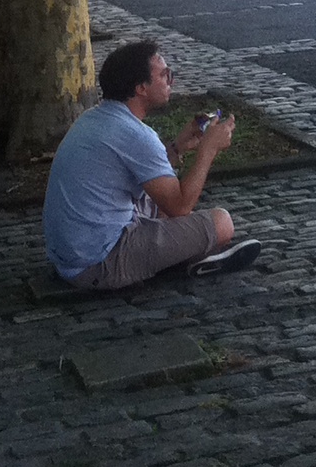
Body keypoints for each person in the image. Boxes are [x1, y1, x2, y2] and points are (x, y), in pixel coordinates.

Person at [42, 39, 261, 289]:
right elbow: (180, 206)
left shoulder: (95, 118)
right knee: (222, 222)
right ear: (141, 88)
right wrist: (208, 150)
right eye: (165, 74)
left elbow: (153, 182)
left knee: (162, 206)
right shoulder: (137, 135)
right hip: (100, 262)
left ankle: (183, 250)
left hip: (72, 257)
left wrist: (178, 147)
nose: (171, 80)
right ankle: (190, 255)